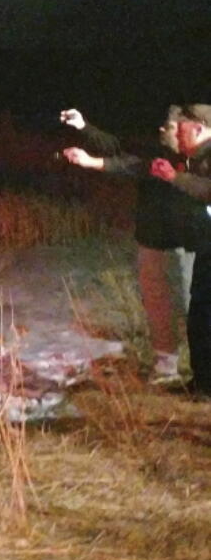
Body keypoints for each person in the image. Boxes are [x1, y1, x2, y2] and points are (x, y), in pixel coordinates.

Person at [60, 106, 210, 383]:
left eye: (172, 128)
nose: (164, 131)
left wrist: (94, 162)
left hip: (188, 246)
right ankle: (169, 368)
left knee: (194, 309)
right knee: (159, 305)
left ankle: (199, 372)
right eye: (167, 128)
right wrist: (84, 128)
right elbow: (119, 150)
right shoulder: (157, 156)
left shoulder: (198, 161)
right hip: (153, 241)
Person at [149, 107, 211, 396]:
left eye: (182, 128)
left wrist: (175, 178)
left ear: (199, 128)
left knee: (203, 315)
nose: (177, 133)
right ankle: (203, 382)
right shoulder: (195, 158)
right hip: (206, 248)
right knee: (199, 315)